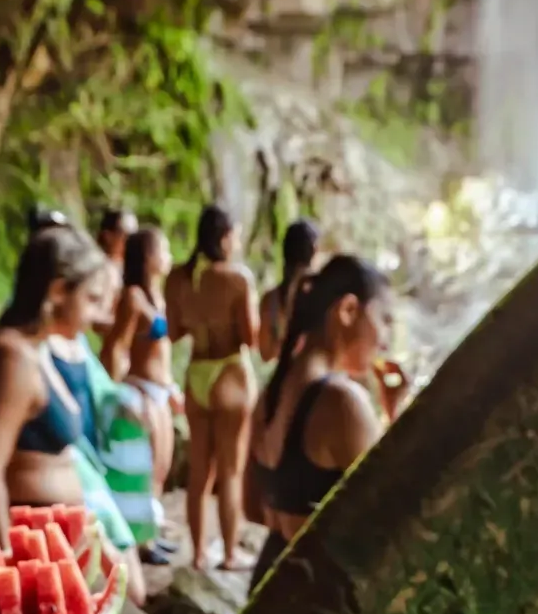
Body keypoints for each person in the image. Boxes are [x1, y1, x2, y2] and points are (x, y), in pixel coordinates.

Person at [0, 222, 145, 604]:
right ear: (58, 291)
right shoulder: (12, 358)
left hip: (67, 530)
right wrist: (5, 565)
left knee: (130, 601)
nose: (97, 315)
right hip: (38, 543)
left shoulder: (37, 348)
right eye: (91, 299)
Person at [248, 254, 410, 589]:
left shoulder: (271, 392)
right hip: (311, 599)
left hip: (267, 584)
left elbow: (252, 507)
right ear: (348, 311)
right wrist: (397, 414)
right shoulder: (341, 402)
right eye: (384, 319)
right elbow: (391, 507)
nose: (385, 339)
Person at [166, 204, 259, 570]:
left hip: (196, 373)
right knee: (231, 471)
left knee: (199, 470)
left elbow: (174, 332)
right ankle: (232, 554)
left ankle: (199, 554)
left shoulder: (177, 279)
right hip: (230, 373)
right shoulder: (237, 279)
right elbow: (249, 337)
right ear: (223, 237)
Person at [102, 226, 178, 495]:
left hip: (161, 388)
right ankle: (141, 533)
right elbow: (115, 346)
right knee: (146, 467)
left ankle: (151, 529)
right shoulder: (133, 297)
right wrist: (117, 392)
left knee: (162, 466)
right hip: (141, 388)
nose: (169, 256)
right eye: (164, 250)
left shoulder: (158, 295)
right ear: (148, 256)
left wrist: (171, 388)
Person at [258, 219, 320, 363]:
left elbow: (265, 354)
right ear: (315, 250)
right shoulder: (321, 297)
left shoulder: (270, 300)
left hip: (283, 380)